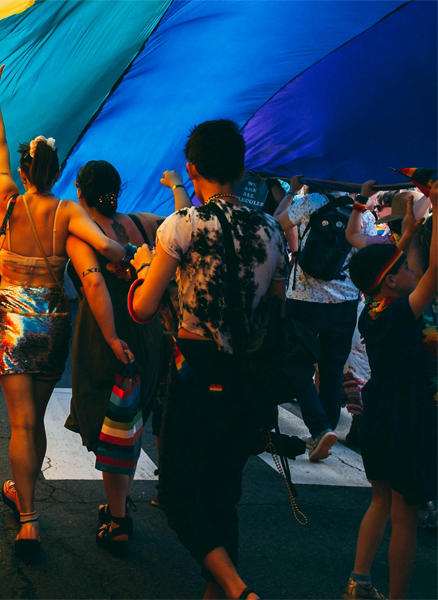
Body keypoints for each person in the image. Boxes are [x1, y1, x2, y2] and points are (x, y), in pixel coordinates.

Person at [129, 119, 289, 600]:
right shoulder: (271, 231)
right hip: (249, 380)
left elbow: (143, 308)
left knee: (178, 494)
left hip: (197, 376)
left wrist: (141, 270)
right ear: (241, 170)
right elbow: (276, 309)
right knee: (224, 497)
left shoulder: (183, 225)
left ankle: (239, 590)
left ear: (191, 169)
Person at [0, 52, 125, 555]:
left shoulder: (8, 199)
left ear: (24, 168)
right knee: (34, 421)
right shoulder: (67, 211)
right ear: (58, 170)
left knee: (18, 423)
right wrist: (134, 255)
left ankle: (29, 518)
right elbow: (106, 248)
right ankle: (25, 496)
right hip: (53, 319)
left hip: (12, 317)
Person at [63, 159, 168, 557]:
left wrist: (109, 337)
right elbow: (181, 221)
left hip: (106, 336)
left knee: (111, 424)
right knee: (130, 420)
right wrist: (176, 186)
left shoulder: (81, 236)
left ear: (81, 193)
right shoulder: (142, 224)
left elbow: (92, 284)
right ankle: (117, 504)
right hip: (147, 329)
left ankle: (119, 518)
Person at [341, 186, 436, 600]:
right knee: (405, 514)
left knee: (380, 500)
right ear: (394, 283)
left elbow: (396, 266)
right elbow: (434, 272)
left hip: (380, 410)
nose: (415, 270)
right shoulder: (402, 313)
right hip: (407, 414)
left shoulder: (375, 311)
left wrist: (410, 233)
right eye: (406, 270)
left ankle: (359, 580)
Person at [273, 175, 376, 461]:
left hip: (304, 299)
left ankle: (319, 428)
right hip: (345, 301)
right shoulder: (363, 212)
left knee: (297, 364)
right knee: (331, 370)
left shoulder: (310, 201)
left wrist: (292, 191)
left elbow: (276, 223)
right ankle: (327, 428)